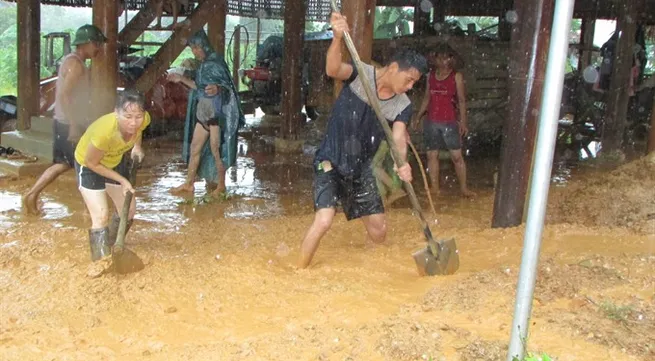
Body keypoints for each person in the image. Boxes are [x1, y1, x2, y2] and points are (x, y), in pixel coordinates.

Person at [297, 12, 427, 269]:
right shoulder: (361, 74)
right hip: (330, 161)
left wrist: (402, 163)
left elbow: (398, 137)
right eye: (409, 79)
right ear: (392, 68)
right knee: (324, 221)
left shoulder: (403, 105)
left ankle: (367, 271)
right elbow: (332, 69)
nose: (410, 86)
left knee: (379, 232)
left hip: (361, 168)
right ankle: (296, 271)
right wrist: (337, 38)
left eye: (415, 82)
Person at [22, 24, 107, 215]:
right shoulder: (76, 65)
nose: (99, 48)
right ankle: (89, 209)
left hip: (66, 121)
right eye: (97, 44)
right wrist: (75, 125)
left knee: (67, 164)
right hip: (69, 123)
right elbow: (65, 95)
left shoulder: (71, 61)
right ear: (87, 43)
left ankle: (33, 194)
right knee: (83, 163)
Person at [74, 89, 150, 261]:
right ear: (116, 113)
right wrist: (123, 180)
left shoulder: (143, 120)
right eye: (128, 116)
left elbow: (139, 129)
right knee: (101, 215)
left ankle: (112, 245)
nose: (133, 122)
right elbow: (92, 163)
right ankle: (100, 262)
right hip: (88, 166)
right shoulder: (104, 131)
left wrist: (137, 147)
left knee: (129, 210)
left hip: (113, 162)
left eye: (138, 116)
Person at [169, 30, 244, 197]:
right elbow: (199, 87)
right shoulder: (202, 65)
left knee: (216, 151)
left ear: (204, 46)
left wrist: (219, 88)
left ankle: (222, 186)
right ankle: (189, 184)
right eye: (192, 49)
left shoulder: (216, 63)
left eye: (197, 48)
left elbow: (228, 88)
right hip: (203, 113)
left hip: (215, 115)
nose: (195, 52)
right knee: (195, 149)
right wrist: (180, 79)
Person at [413, 43, 474, 197]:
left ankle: (463, 188)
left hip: (449, 121)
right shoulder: (430, 76)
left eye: (446, 58)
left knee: (456, 156)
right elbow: (427, 97)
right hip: (432, 121)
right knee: (432, 155)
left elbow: (461, 100)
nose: (443, 61)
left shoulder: (456, 77)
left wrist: (463, 122)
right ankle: (435, 188)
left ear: (451, 60)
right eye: (440, 58)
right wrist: (419, 115)